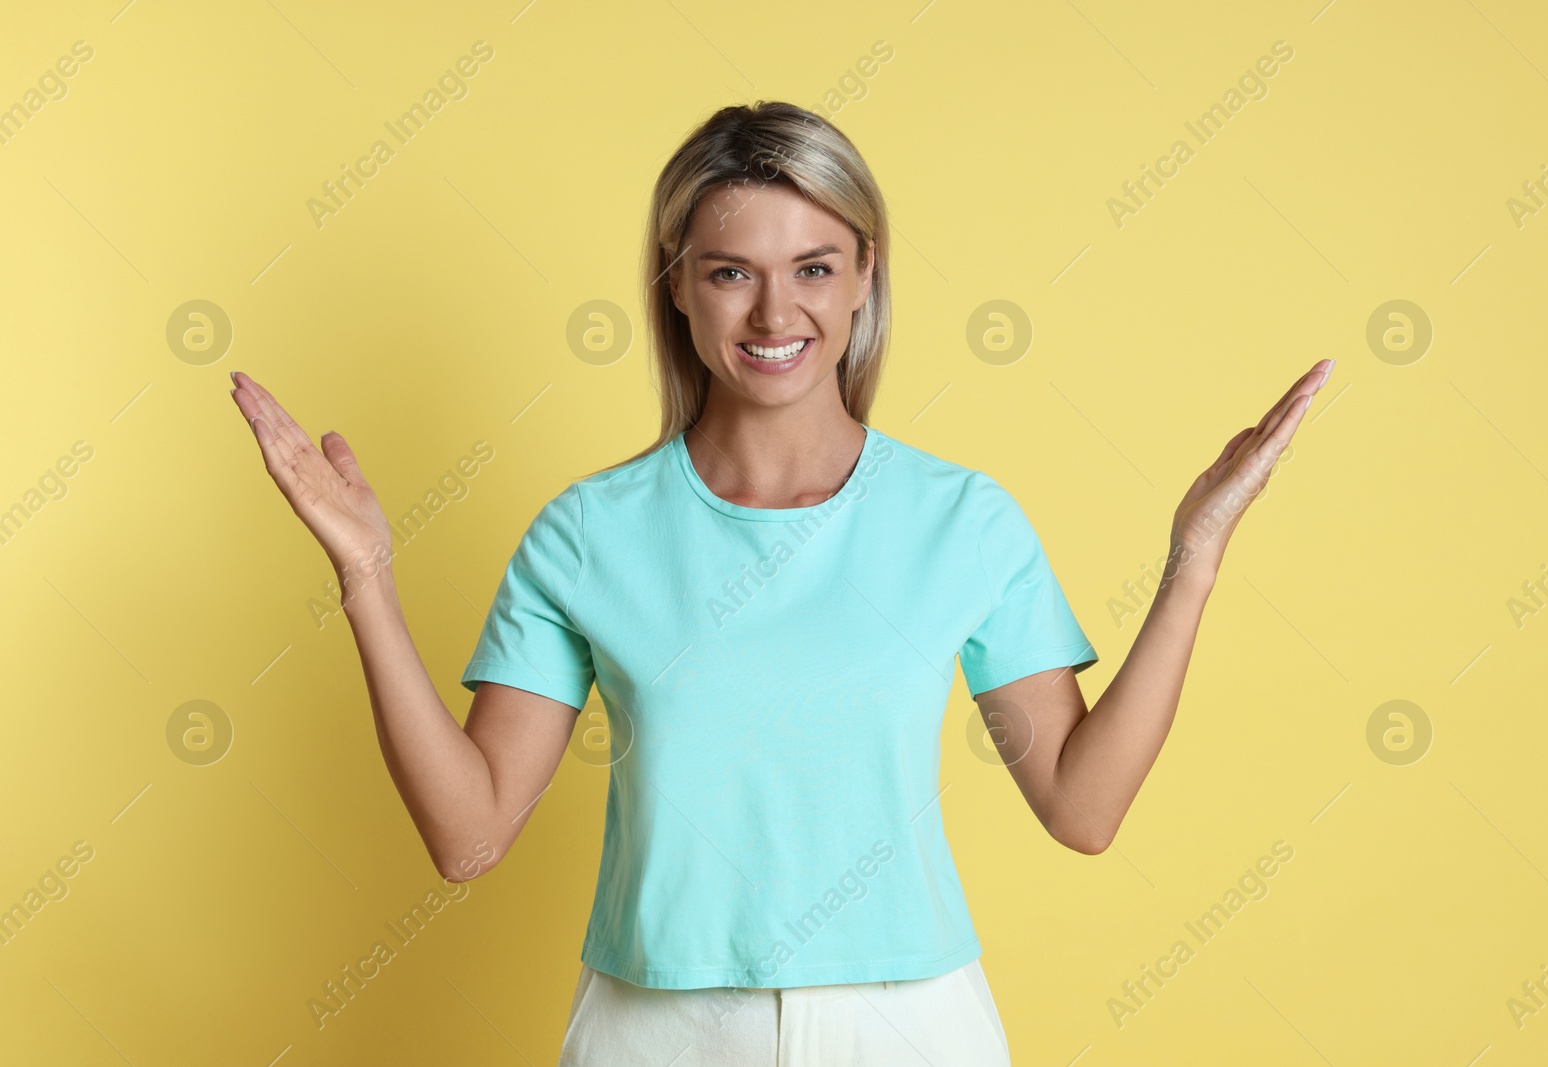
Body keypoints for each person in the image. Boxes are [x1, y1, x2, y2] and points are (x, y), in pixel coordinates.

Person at [230, 100, 1330, 1066]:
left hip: (912, 1022)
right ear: (677, 291)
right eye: (729, 271)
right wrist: (367, 576)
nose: (773, 313)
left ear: (863, 282)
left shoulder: (959, 520)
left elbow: (1082, 809)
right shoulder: (586, 535)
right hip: (657, 1027)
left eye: (813, 267)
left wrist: (1192, 562)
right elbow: (467, 837)